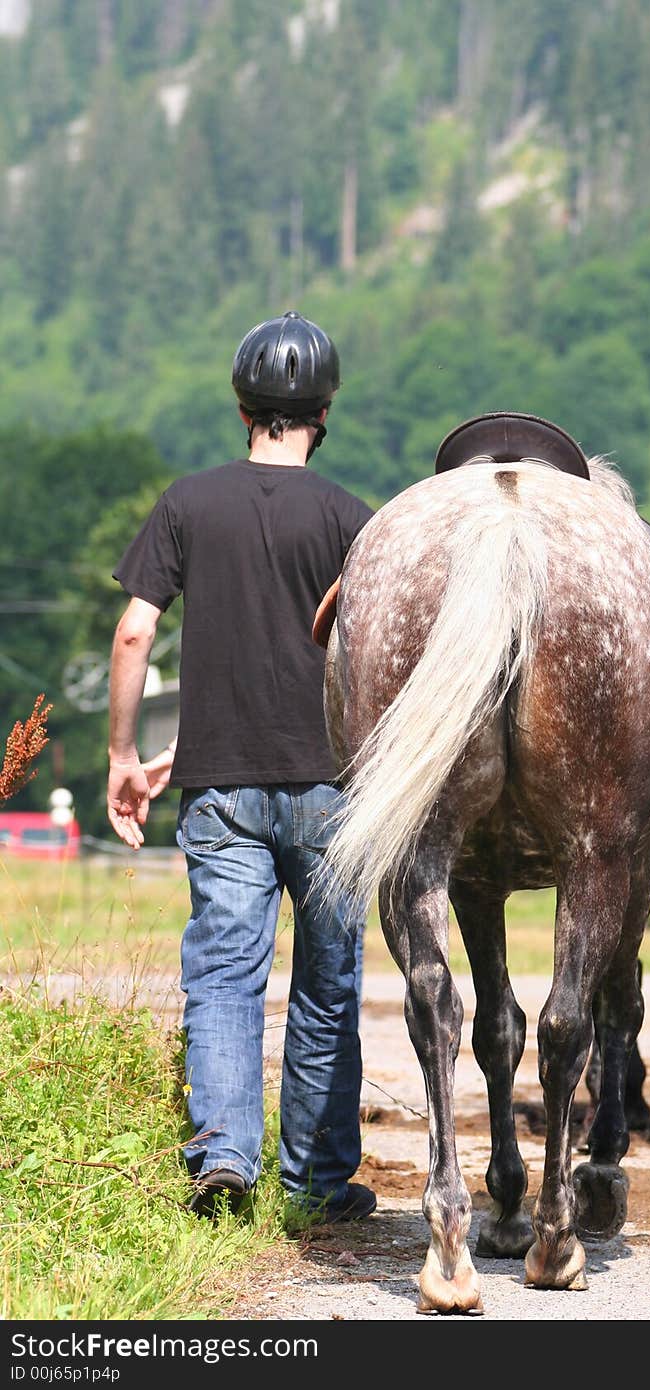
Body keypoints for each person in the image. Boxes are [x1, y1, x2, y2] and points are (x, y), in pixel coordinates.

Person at [106, 310, 376, 1226]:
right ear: (324, 409)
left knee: (223, 974)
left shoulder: (187, 503)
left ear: (242, 405)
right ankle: (315, 1180)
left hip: (218, 789)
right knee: (328, 979)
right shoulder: (350, 519)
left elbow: (136, 628)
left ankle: (224, 1156)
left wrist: (124, 757)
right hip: (333, 788)